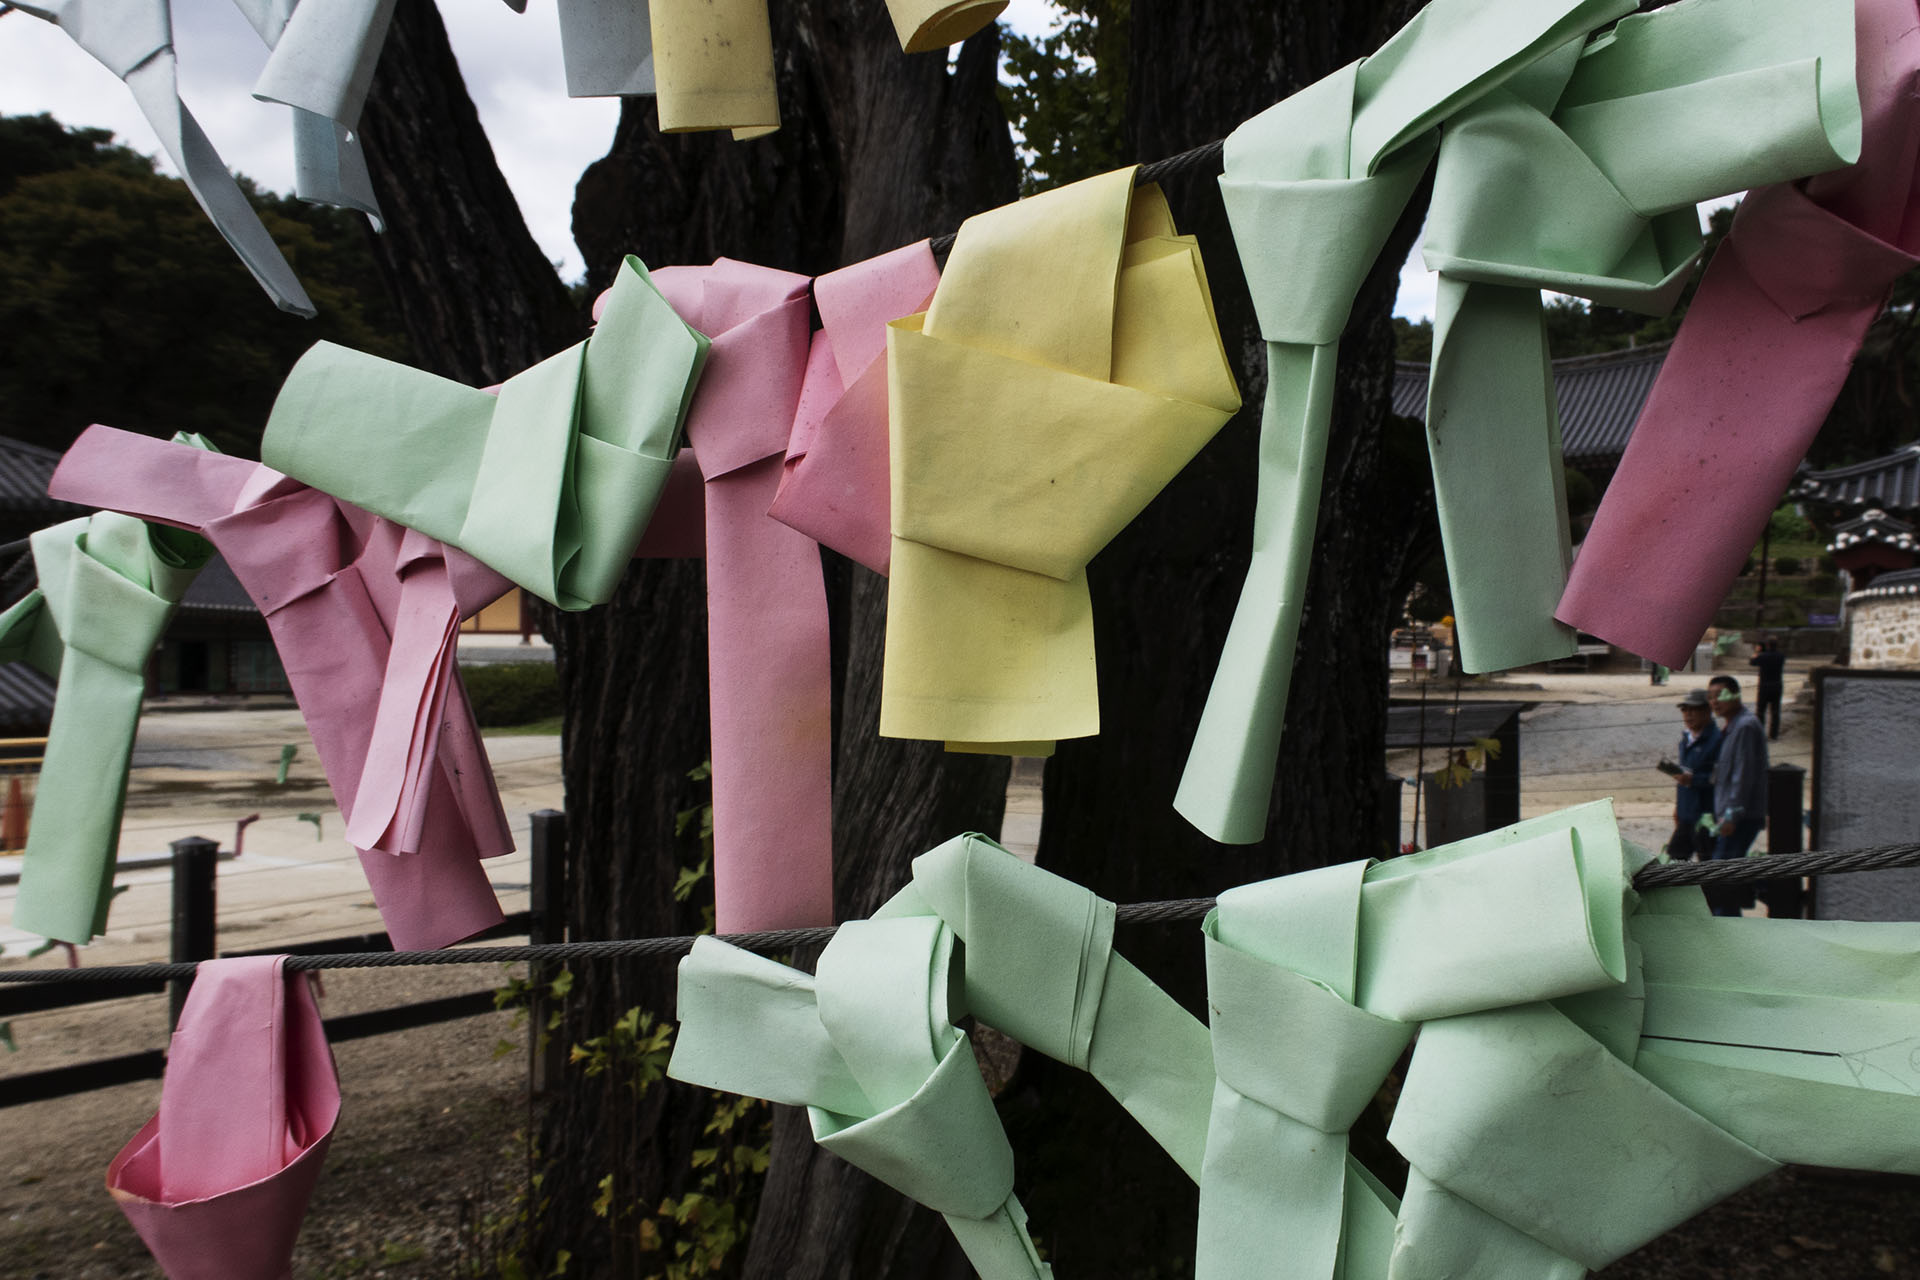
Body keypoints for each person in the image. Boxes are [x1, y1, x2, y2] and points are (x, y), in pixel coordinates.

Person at [1705, 675, 1768, 916]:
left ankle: (1725, 929)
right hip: (1732, 814)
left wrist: (1731, 815)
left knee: (1721, 877)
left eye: (1719, 696)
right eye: (1710, 697)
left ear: (1735, 695)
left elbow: (1743, 775)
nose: (1714, 702)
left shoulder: (1745, 727)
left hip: (1739, 817)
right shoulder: (1733, 727)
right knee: (1727, 879)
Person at [1668, 689, 1721, 863]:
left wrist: (1693, 780)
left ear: (1707, 710)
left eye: (1694, 710)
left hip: (1707, 816)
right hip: (1686, 813)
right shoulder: (1686, 739)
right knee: (1674, 861)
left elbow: (1721, 778)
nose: (1688, 715)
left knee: (1709, 864)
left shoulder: (1717, 740)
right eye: (1685, 710)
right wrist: (1679, 808)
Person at [1748, 636, 1787, 739]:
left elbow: (1752, 662)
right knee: (1775, 711)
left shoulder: (1762, 656)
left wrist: (1757, 652)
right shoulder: (1781, 656)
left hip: (1764, 686)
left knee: (1761, 711)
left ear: (1767, 645)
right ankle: (1774, 734)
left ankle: (1760, 733)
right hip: (1777, 685)